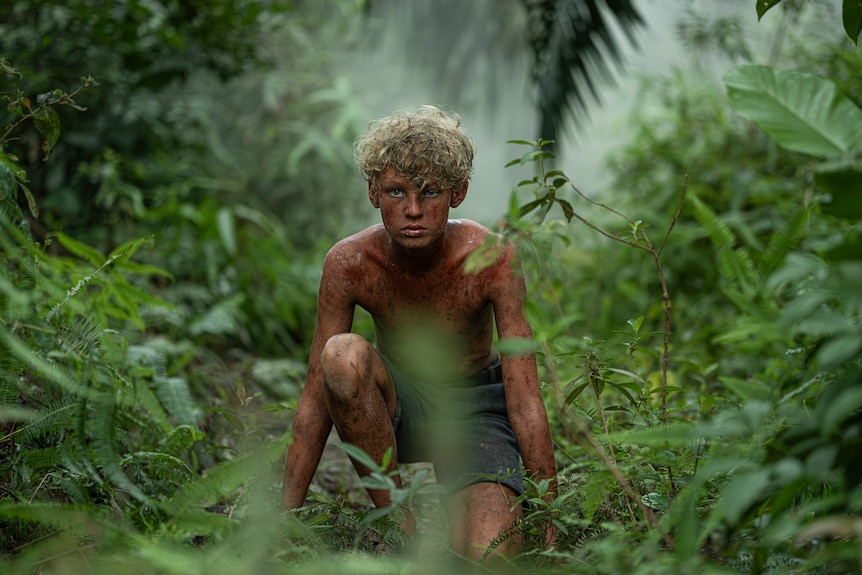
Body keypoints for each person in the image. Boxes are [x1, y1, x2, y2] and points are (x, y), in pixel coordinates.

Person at [282, 105, 557, 561]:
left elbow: (525, 395)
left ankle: (464, 505)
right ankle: (397, 524)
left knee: (491, 555)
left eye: (431, 193)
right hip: (398, 406)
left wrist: (549, 514)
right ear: (373, 193)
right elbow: (317, 391)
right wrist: (283, 518)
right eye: (396, 192)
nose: (413, 210)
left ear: (458, 192)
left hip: (475, 414)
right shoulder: (349, 263)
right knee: (341, 355)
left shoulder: (492, 258)